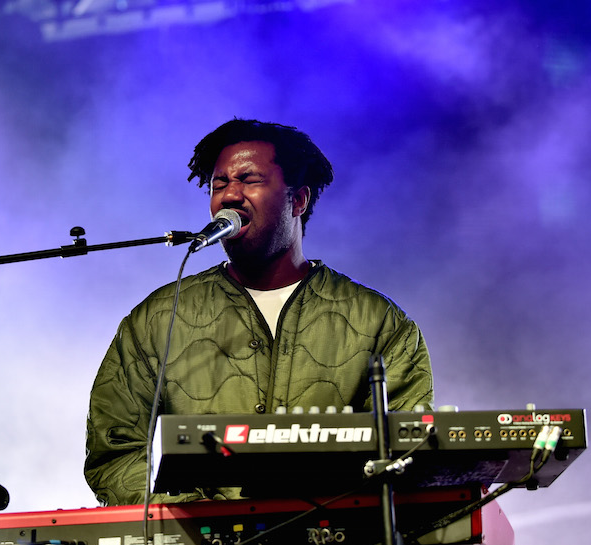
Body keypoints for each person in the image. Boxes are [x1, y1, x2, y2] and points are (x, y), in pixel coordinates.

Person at [84, 118, 433, 507]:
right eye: (219, 184)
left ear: (298, 200)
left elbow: (407, 459)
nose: (230, 195)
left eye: (249, 180)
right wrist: (199, 518)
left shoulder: (380, 324)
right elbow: (115, 452)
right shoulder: (156, 319)